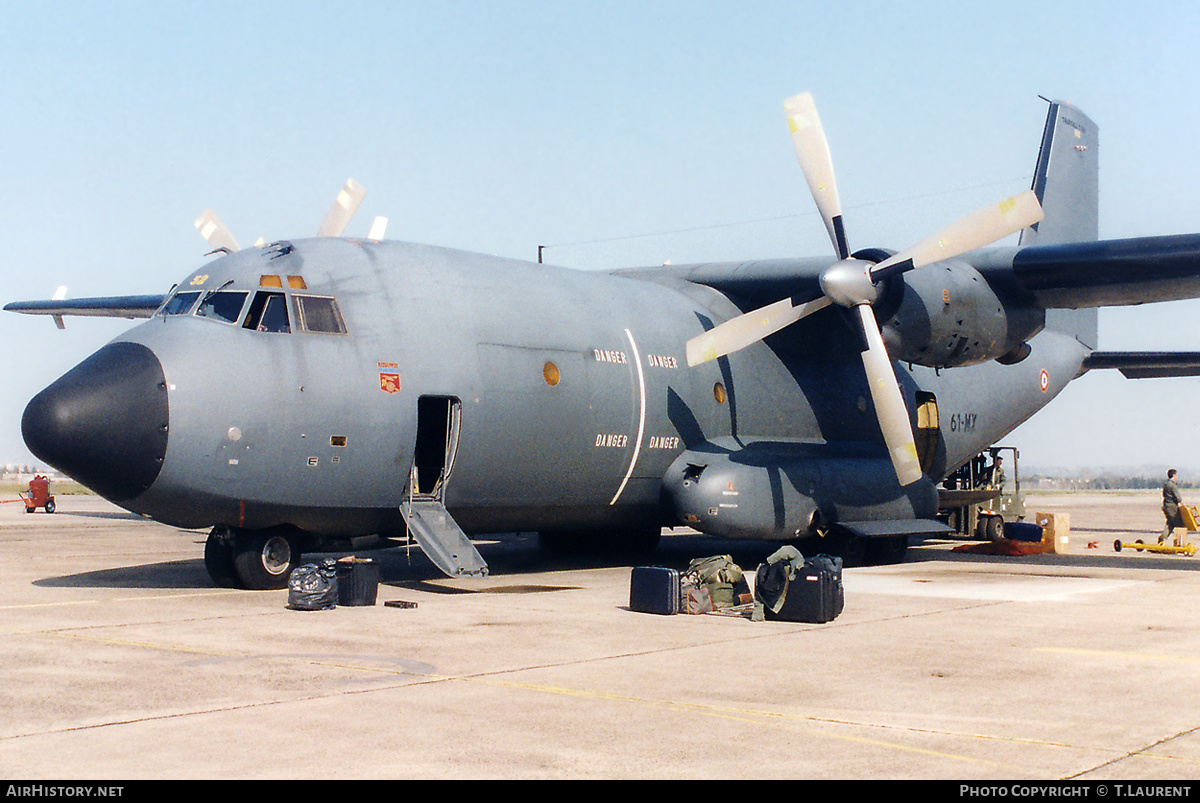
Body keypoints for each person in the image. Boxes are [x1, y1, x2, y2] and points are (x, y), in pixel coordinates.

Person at [1159, 469, 1185, 545]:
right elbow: (1178, 498)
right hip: (1172, 507)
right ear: (1174, 475)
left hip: (1166, 505)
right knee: (1179, 525)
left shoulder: (1166, 484)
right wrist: (1185, 506)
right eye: (1176, 475)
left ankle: (1162, 538)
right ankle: (1178, 544)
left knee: (1170, 524)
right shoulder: (1172, 485)